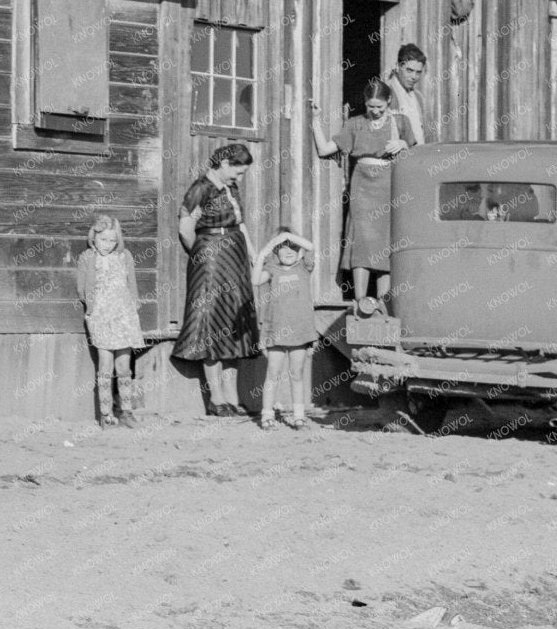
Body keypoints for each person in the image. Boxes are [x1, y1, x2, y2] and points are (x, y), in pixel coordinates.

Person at [172, 142, 260, 418]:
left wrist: (253, 252)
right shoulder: (201, 189)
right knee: (211, 321)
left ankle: (234, 398)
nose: (240, 178)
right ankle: (216, 399)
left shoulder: (230, 188)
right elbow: (186, 227)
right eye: (238, 172)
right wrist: (202, 251)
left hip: (235, 257)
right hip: (210, 259)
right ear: (223, 164)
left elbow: (240, 223)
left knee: (235, 322)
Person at [311, 79, 409, 315]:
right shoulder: (355, 124)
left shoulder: (400, 122)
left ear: (388, 102)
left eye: (379, 107)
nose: (374, 111)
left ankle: (383, 304)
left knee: (385, 244)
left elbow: (420, 151)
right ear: (365, 103)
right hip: (363, 184)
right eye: (370, 106)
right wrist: (315, 120)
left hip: (389, 183)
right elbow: (325, 149)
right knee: (362, 242)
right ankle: (361, 303)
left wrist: (404, 143)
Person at [76, 212, 145, 428]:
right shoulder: (87, 258)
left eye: (112, 240)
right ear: (94, 236)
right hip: (101, 316)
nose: (107, 244)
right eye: (103, 239)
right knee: (105, 365)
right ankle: (105, 414)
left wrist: (132, 308)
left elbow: (132, 284)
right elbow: (82, 288)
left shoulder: (125, 257)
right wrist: (92, 308)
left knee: (124, 365)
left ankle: (126, 411)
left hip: (123, 315)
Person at [253, 228, 318, 430]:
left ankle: (299, 416)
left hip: (300, 331)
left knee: (297, 373)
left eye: (292, 248)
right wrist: (264, 253)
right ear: (276, 252)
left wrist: (287, 237)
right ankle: (267, 416)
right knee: (273, 373)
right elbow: (255, 280)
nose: (288, 251)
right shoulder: (272, 269)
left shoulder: (304, 267)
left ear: (298, 251)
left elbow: (311, 246)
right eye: (282, 249)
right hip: (276, 331)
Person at [382, 43, 429, 146]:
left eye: (418, 72)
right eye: (409, 70)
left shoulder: (418, 97)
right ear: (398, 66)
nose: (414, 77)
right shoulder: (386, 92)